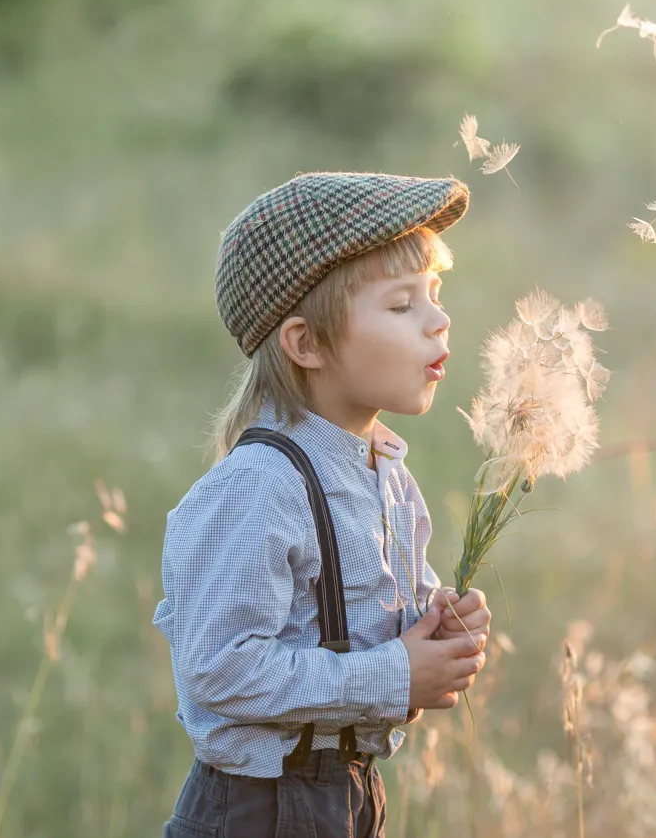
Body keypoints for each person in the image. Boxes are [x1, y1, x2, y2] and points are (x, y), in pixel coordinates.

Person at [153, 171, 491, 837]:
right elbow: (221, 670)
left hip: (351, 801)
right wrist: (393, 675)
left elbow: (364, 647)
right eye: (401, 306)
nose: (438, 320)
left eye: (435, 295)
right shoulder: (259, 486)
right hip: (258, 810)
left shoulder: (390, 477)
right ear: (306, 344)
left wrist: (431, 638)